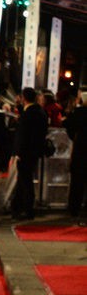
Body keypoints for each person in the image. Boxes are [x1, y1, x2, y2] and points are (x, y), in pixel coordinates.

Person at [11, 86, 48, 220]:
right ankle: (18, 207)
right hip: (34, 152)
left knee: (25, 181)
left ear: (23, 98)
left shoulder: (28, 114)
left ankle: (27, 209)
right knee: (24, 180)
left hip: (26, 152)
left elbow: (23, 135)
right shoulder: (40, 112)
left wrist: (18, 152)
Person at [64, 91, 87, 222]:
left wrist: (74, 136)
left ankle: (74, 208)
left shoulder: (78, 113)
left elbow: (68, 125)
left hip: (81, 149)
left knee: (77, 181)